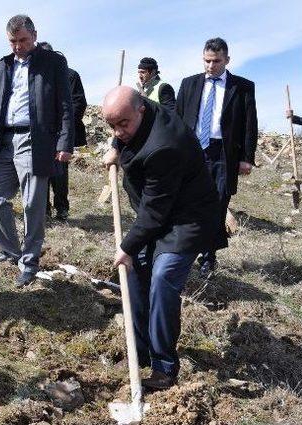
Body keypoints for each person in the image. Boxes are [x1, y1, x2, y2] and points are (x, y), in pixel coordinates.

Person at [102, 86, 220, 390]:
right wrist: (117, 144)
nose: (118, 130)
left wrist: (126, 246)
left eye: (123, 124)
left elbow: (155, 212)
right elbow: (153, 210)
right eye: (111, 126)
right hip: (158, 210)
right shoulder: (140, 109)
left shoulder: (164, 145)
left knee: (163, 278)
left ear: (140, 109)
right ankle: (139, 352)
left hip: (186, 218)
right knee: (131, 274)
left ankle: (163, 366)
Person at [0, 15, 74, 287]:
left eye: (22, 40)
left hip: (35, 140)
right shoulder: (4, 65)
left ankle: (30, 262)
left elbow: (65, 105)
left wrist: (65, 142)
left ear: (34, 35)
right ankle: (11, 250)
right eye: (13, 42)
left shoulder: (53, 62)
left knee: (33, 204)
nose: (18, 46)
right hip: (5, 141)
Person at [176, 37, 258, 277]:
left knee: (218, 203)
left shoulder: (242, 87)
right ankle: (185, 249)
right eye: (207, 61)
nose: (210, 66)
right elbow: (178, 120)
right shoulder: (189, 84)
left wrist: (246, 157)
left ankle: (208, 257)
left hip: (224, 153)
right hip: (193, 152)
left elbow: (249, 125)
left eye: (216, 61)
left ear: (227, 60)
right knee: (187, 200)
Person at [37, 41, 87, 220]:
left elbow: (78, 102)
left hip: (60, 134)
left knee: (59, 173)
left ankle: (61, 208)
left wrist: (63, 124)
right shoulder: (36, 76)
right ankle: (44, 209)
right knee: (41, 172)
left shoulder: (70, 75)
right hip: (40, 133)